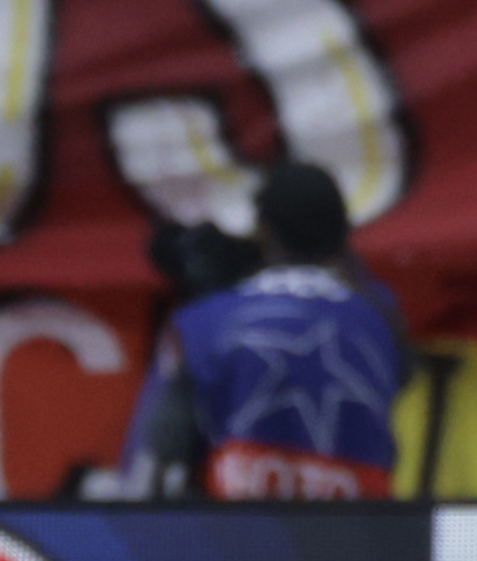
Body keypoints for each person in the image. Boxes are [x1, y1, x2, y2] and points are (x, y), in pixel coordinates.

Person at [122, 163, 409, 500]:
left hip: (238, 534)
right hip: (362, 534)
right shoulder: (380, 323)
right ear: (344, 232)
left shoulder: (202, 323)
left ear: (262, 229)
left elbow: (158, 453)